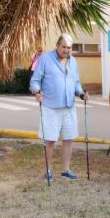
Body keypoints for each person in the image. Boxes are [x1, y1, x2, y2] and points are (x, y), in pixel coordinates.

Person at [30, 34, 88, 181]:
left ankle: (66, 170)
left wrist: (81, 93)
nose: (66, 50)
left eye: (69, 48)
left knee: (68, 139)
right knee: (50, 140)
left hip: (69, 107)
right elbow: (35, 80)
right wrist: (36, 92)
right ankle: (49, 170)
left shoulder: (73, 61)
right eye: (64, 47)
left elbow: (76, 82)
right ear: (57, 45)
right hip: (50, 107)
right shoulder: (44, 59)